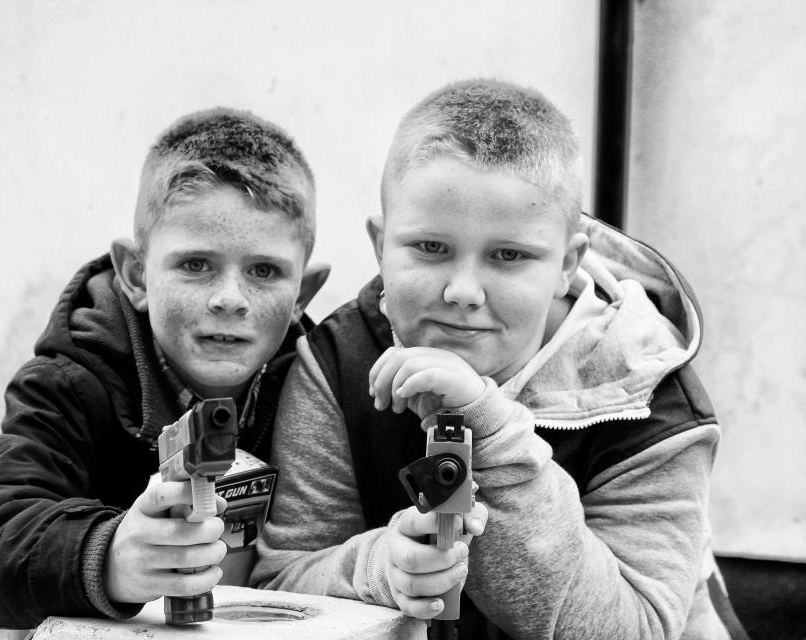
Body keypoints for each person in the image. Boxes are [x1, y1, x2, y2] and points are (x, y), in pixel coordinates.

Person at [253, 79, 742, 639]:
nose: (464, 290)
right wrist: (377, 569)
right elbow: (280, 588)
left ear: (567, 262)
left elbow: (635, 630)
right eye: (431, 248)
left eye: (508, 256)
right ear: (379, 246)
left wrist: (490, 434)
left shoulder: (647, 395)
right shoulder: (337, 362)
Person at [0, 108, 329, 629]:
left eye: (264, 271)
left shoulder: (325, 389)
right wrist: (108, 555)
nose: (229, 299)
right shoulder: (75, 381)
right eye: (194, 265)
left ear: (303, 292)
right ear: (135, 274)